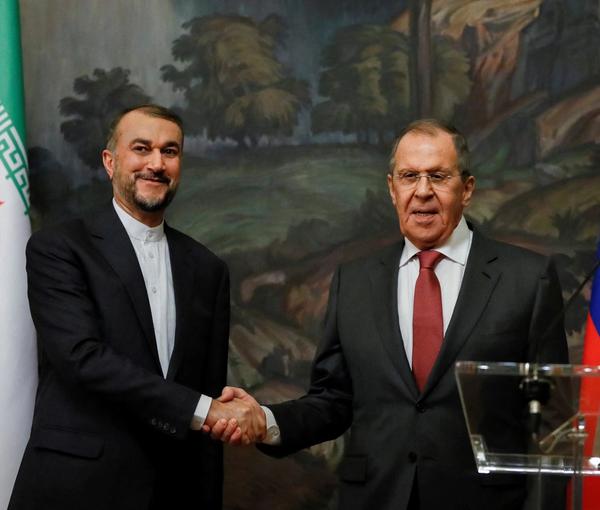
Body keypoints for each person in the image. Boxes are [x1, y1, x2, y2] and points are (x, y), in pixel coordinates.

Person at [208, 119, 569, 510]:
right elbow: (333, 401)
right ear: (392, 189)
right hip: (375, 498)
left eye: (438, 176)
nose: (423, 192)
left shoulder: (527, 278)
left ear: (466, 189)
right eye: (409, 176)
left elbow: (553, 424)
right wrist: (266, 419)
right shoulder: (355, 281)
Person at [8, 104, 257, 510]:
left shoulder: (209, 269)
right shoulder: (59, 248)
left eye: (170, 151)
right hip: (75, 490)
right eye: (141, 148)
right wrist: (203, 409)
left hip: (171, 493)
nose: (156, 164)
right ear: (110, 161)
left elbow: (208, 395)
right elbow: (82, 359)